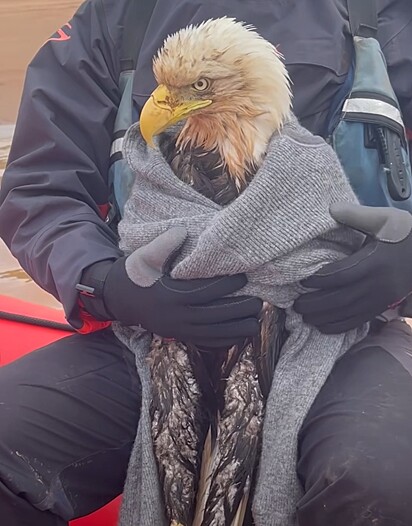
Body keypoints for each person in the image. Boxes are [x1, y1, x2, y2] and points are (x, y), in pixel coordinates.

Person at [0, 0, 412, 524]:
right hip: (153, 331)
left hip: (343, 335)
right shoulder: (120, 16)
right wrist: (105, 282)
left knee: (384, 480)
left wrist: (407, 261)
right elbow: (40, 187)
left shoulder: (391, 15)